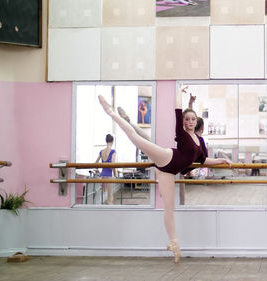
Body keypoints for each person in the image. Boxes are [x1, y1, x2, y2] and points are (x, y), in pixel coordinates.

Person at [97, 85, 231, 263]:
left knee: (169, 210)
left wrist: (223, 161)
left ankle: (174, 244)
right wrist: (179, 92)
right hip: (166, 157)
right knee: (136, 139)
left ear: (196, 121)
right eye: (187, 119)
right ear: (184, 122)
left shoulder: (199, 142)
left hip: (168, 172)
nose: (190, 122)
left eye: (193, 119)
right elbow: (177, 110)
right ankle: (110, 112)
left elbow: (204, 161)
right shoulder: (181, 134)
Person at [95, 134, 117, 205]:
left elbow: (96, 163)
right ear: (112, 141)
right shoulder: (113, 151)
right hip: (109, 175)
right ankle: (109, 213)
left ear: (106, 141)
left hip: (102, 175)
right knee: (110, 197)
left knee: (103, 196)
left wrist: (98, 171)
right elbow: (113, 163)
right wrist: (115, 174)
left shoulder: (101, 151)